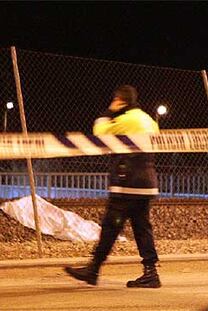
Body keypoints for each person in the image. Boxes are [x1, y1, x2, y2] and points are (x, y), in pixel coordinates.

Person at [64, 85, 161, 288]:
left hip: (127, 182)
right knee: (142, 228)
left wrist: (109, 111)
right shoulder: (147, 119)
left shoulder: (124, 119)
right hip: (147, 183)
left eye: (116, 99)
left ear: (120, 100)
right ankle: (151, 272)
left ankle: (94, 269)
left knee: (110, 226)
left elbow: (99, 132)